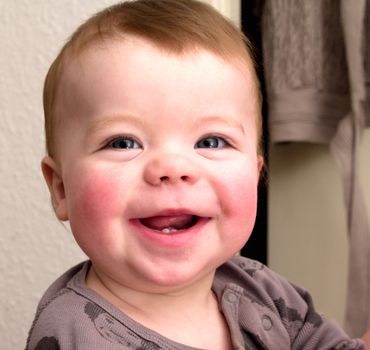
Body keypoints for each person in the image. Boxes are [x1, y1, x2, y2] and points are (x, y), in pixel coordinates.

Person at [26, 0, 367, 349]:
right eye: (124, 142)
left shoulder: (260, 289)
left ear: (255, 175)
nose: (173, 168)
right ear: (61, 188)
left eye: (211, 141)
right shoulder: (73, 333)